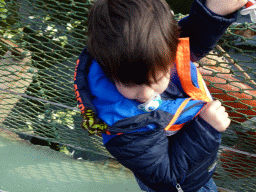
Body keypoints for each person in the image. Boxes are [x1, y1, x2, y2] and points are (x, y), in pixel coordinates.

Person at [74, 0, 248, 191]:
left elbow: (189, 40)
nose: (146, 94)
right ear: (108, 72)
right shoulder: (124, 127)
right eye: (131, 84)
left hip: (195, 163)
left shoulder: (144, 53)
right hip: (181, 184)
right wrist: (206, 128)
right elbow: (164, 175)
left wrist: (215, 12)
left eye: (156, 79)